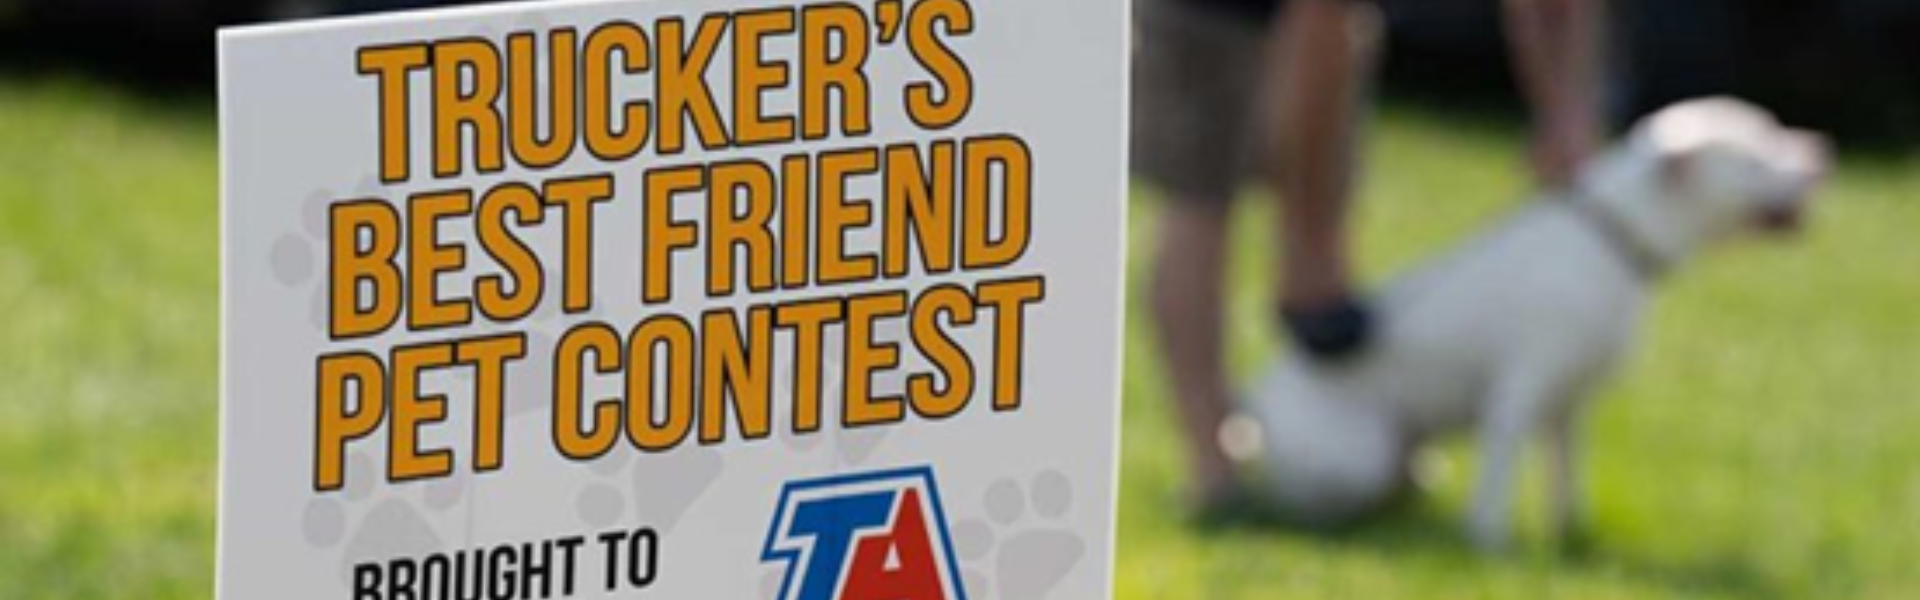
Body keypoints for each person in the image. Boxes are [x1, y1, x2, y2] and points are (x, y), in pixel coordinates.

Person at [1134, 0, 1607, 518]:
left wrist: (1565, 113)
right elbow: (1320, 21)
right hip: (1210, 16)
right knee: (1200, 205)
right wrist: (1308, 246)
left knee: (1271, 228)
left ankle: (1346, 439)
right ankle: (1215, 465)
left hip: (1321, 22)